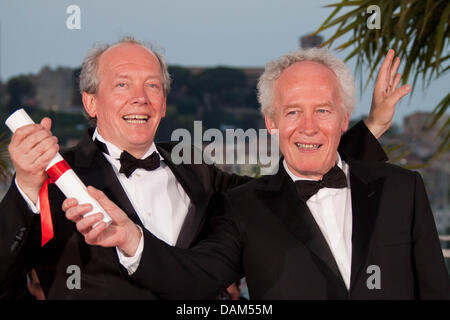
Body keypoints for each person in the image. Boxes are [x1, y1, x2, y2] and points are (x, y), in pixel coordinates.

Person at [1, 36, 403, 299]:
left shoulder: (193, 166)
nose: (141, 98)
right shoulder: (55, 175)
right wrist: (25, 184)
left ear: (163, 101)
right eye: (123, 84)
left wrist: (373, 127)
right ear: (91, 102)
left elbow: (286, 193)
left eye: (153, 85)